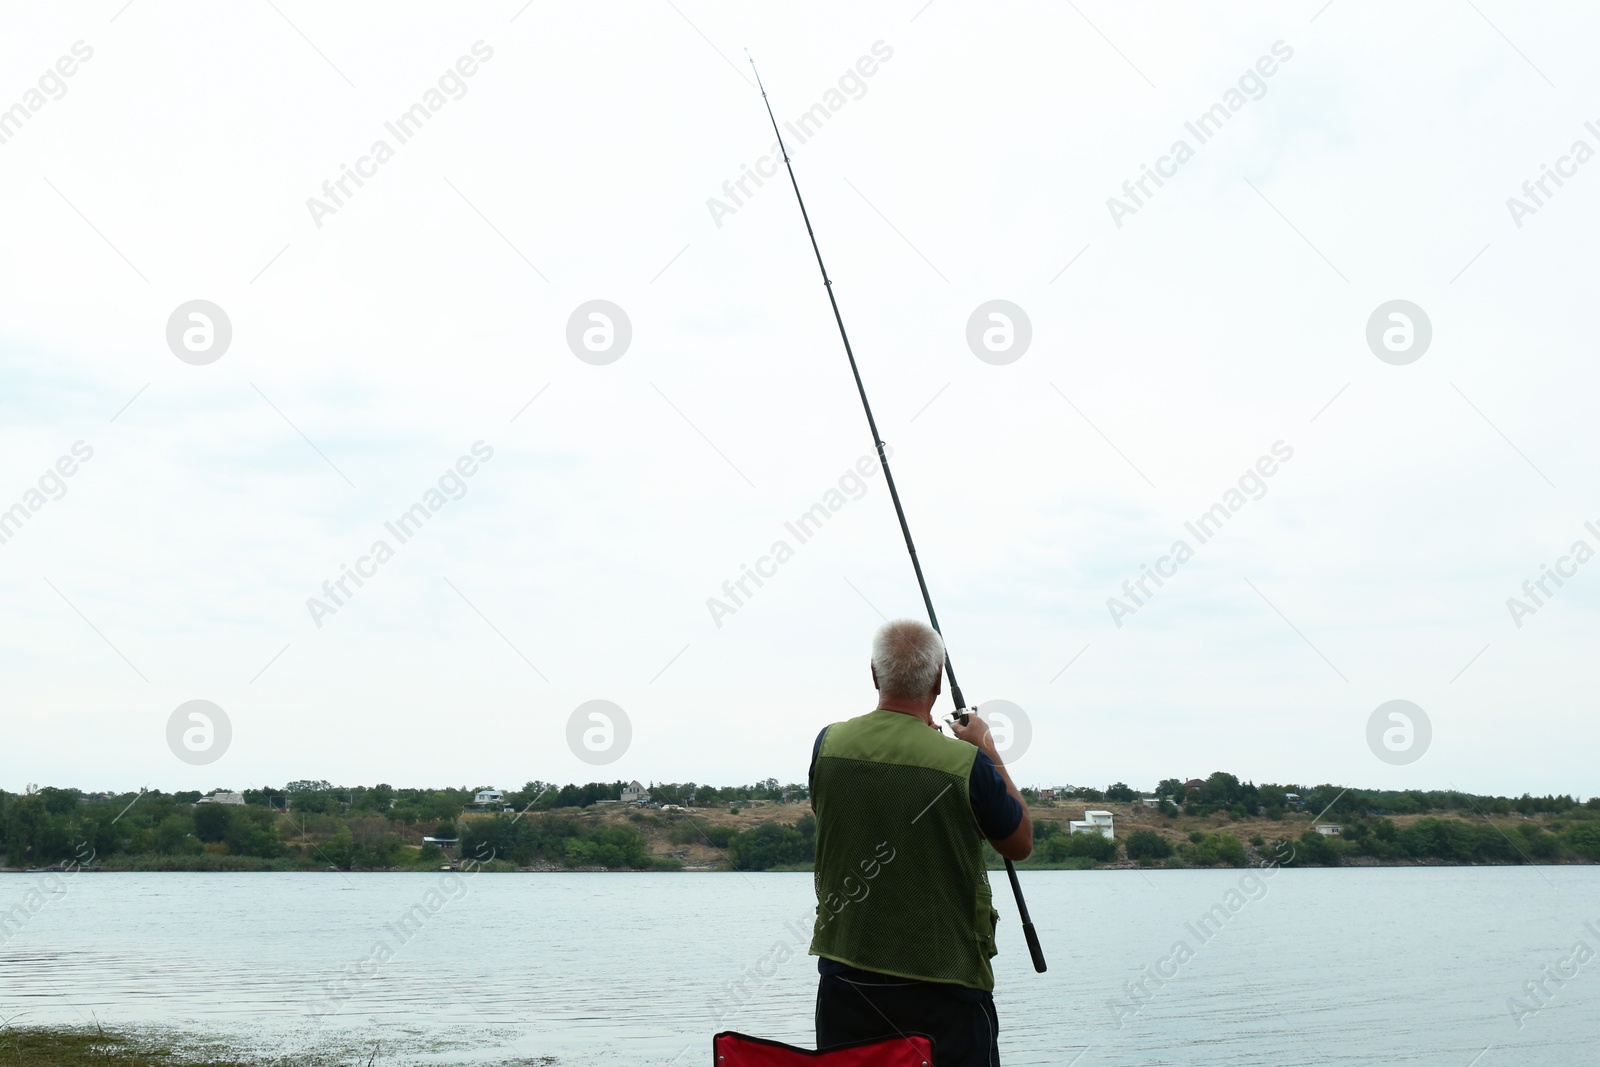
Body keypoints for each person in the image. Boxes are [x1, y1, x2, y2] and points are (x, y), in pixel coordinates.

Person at [809, 619, 1033, 1067]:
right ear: (936, 679)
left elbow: (846, 812)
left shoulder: (827, 743)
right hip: (946, 984)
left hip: (847, 982)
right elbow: (1020, 842)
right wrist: (986, 747)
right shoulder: (965, 763)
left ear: (875, 673)